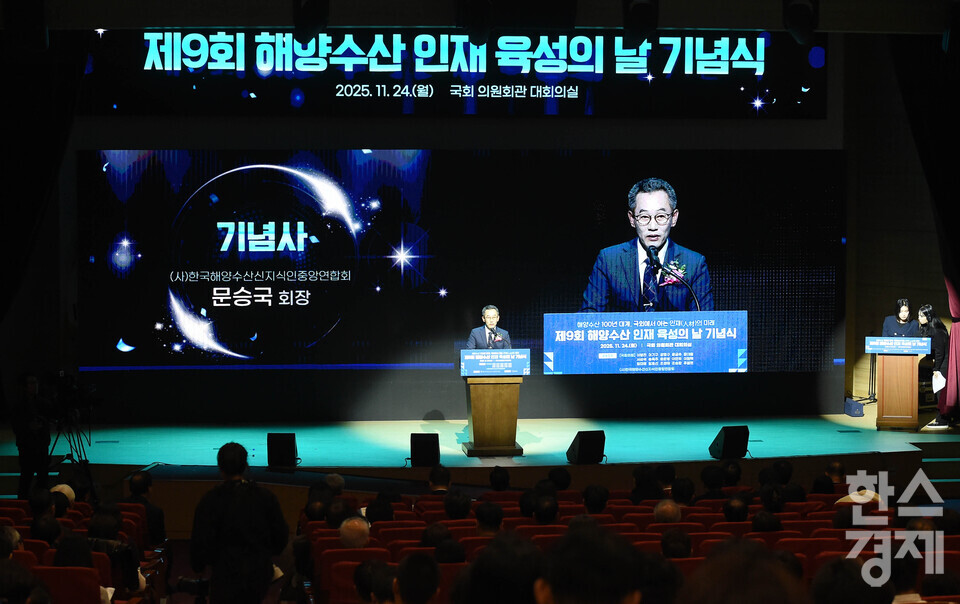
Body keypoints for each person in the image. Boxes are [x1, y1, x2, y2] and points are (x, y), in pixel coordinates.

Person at [581, 177, 713, 312]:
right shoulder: (609, 259)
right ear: (632, 219)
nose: (653, 226)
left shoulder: (694, 263)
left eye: (661, 216)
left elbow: (706, 321)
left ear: (674, 218)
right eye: (644, 217)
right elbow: (589, 316)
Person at [190, 442, 289, 604]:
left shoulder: (210, 500)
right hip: (257, 573)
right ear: (245, 465)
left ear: (220, 467)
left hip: (224, 574)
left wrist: (199, 567)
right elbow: (280, 537)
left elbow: (200, 540)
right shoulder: (265, 497)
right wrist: (265, 556)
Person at [11, 373, 53, 500]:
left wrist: (42, 426)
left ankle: (43, 505)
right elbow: (16, 426)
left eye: (36, 383)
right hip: (26, 447)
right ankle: (23, 504)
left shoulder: (44, 403)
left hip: (41, 446)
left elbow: (50, 420)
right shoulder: (19, 405)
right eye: (31, 383)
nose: (35, 386)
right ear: (25, 386)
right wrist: (29, 427)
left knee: (42, 480)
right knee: (25, 479)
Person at [919, 304, 956, 428]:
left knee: (940, 393)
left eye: (922, 316)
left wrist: (936, 369)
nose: (919, 318)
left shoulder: (937, 330)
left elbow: (940, 352)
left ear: (929, 317)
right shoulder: (932, 329)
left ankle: (942, 420)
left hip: (943, 365)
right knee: (940, 392)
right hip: (941, 363)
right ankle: (944, 418)